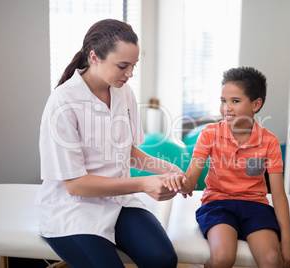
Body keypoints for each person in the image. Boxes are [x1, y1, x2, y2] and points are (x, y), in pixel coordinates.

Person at [35, 19, 183, 268]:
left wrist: (170, 170)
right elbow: (75, 185)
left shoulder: (123, 91)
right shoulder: (63, 102)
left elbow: (127, 152)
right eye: (123, 66)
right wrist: (143, 184)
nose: (130, 74)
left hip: (118, 200)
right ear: (94, 56)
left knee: (163, 260)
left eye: (134, 66)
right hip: (73, 208)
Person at [164, 67, 290, 268]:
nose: (226, 108)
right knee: (223, 257)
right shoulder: (209, 134)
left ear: (256, 104)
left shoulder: (270, 142)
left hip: (255, 206)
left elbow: (278, 195)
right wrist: (181, 183)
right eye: (223, 101)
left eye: (235, 101)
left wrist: (287, 242)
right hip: (218, 204)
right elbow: (190, 181)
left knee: (271, 259)